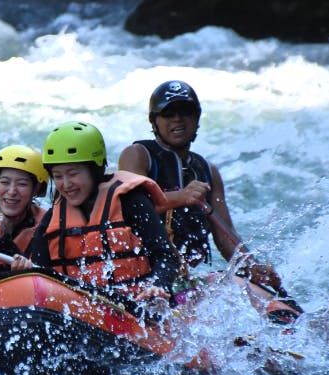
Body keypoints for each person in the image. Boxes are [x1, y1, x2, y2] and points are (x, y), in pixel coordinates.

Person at [118, 80, 282, 291]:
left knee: (240, 286)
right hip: (139, 272)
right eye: (168, 114)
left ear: (196, 119)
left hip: (181, 278)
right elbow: (133, 209)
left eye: (185, 112)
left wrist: (252, 268)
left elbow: (226, 235)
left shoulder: (208, 171)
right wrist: (181, 196)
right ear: (154, 122)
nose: (177, 119)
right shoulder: (137, 155)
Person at [29, 121, 180, 307]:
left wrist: (159, 284)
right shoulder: (52, 220)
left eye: (72, 173)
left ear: (95, 170)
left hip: (139, 306)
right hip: (87, 311)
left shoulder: (131, 202)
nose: (66, 184)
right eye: (58, 176)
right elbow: (39, 273)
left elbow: (165, 256)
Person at [0, 145, 48, 271]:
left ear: (36, 188)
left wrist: (4, 239)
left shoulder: (44, 227)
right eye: (4, 182)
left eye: (22, 184)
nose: (11, 192)